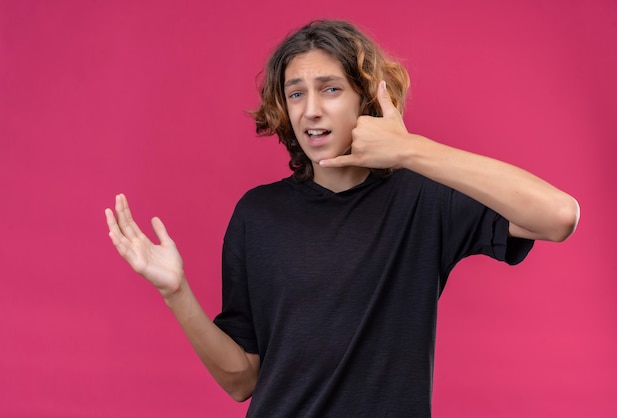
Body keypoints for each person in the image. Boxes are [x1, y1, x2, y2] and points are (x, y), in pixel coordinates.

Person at [105, 19, 579, 417]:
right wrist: (176, 292)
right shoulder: (257, 215)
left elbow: (557, 216)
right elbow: (241, 380)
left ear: (366, 99)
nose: (311, 110)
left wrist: (412, 150)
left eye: (330, 89)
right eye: (295, 95)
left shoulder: (423, 201)